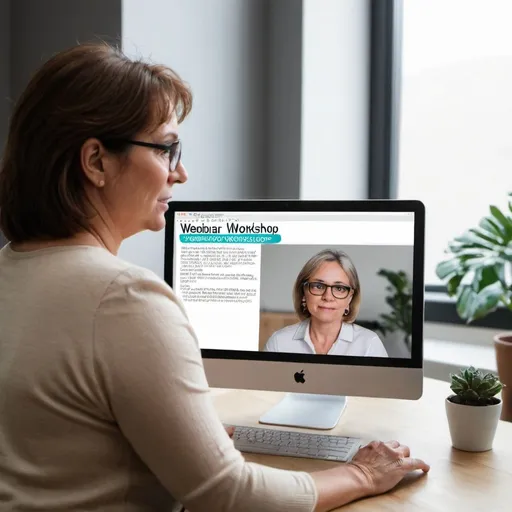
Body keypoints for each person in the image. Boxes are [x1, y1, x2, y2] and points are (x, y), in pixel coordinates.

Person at [0, 43, 428, 512]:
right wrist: (361, 472)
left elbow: (65, 452)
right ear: (97, 161)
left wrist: (180, 441)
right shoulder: (125, 298)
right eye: (166, 148)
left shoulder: (10, 269)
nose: (180, 173)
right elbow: (230, 494)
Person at [264, 249, 388, 356]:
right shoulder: (279, 342)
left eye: (339, 288)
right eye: (318, 286)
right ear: (303, 292)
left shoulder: (369, 344)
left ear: (350, 297)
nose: (328, 297)